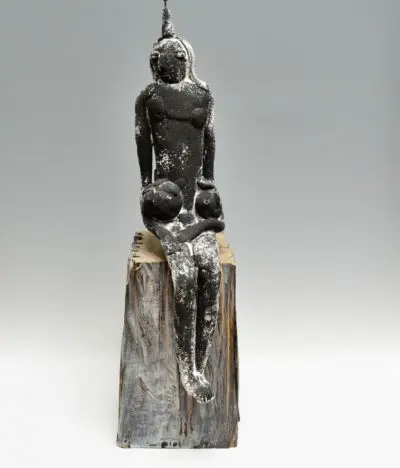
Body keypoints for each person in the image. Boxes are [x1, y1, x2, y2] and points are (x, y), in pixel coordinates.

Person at [135, 1, 225, 404]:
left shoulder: (203, 94)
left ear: (187, 59)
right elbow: (143, 144)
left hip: (193, 202)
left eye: (177, 56)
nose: (171, 61)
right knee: (185, 276)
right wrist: (146, 188)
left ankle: (200, 361)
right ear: (156, 63)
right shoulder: (149, 98)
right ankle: (187, 368)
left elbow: (209, 140)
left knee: (212, 271)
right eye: (164, 57)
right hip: (166, 203)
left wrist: (209, 183)